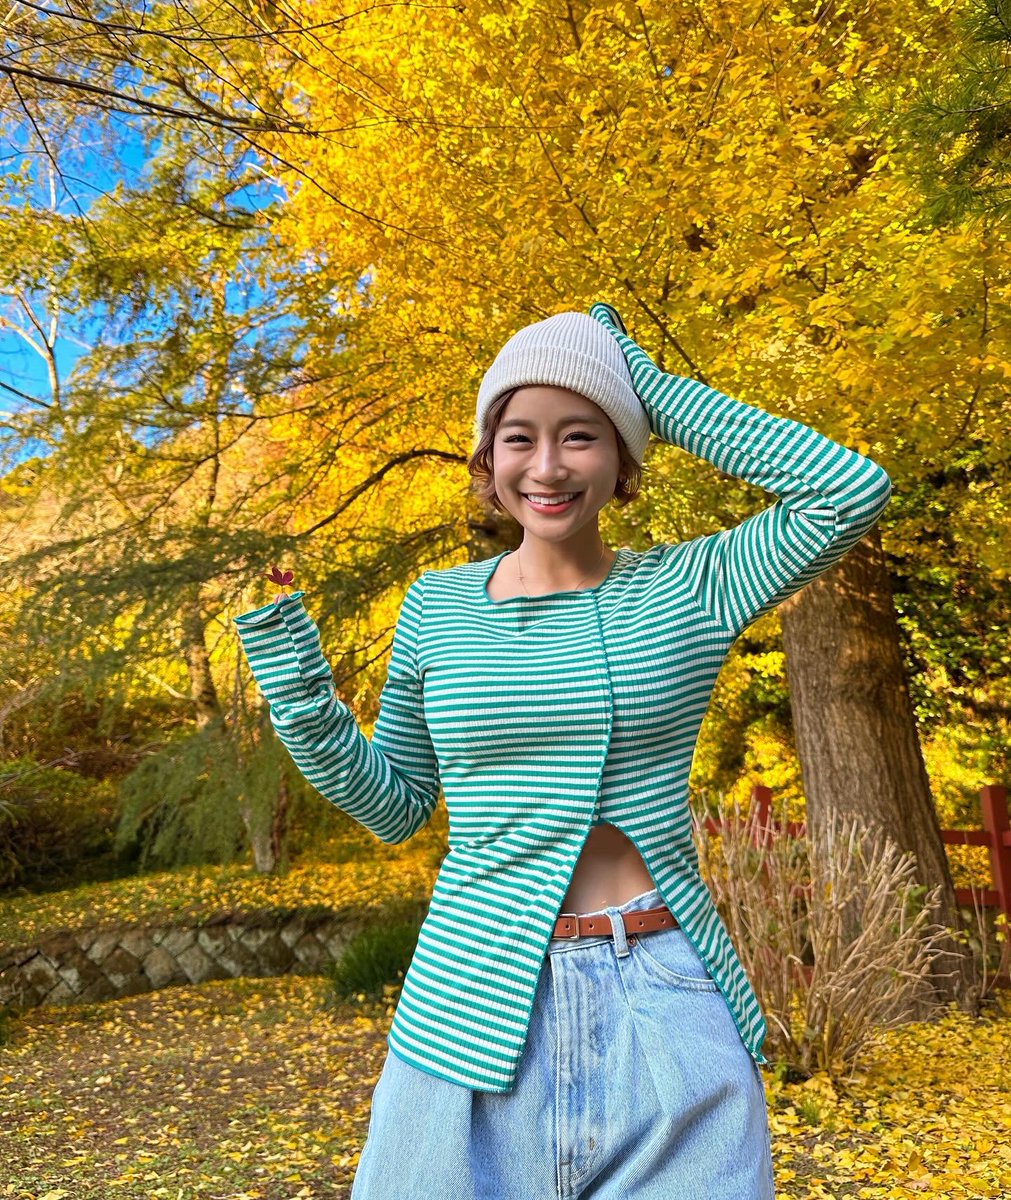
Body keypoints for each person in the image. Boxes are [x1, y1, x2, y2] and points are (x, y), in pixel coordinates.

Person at [234, 301, 893, 1199]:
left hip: (662, 996)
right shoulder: (437, 607)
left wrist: (644, 385)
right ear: (487, 459)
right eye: (518, 438)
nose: (545, 467)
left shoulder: (690, 586)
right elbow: (392, 805)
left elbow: (846, 490)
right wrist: (296, 682)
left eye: (580, 434)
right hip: (467, 1000)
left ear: (623, 455)